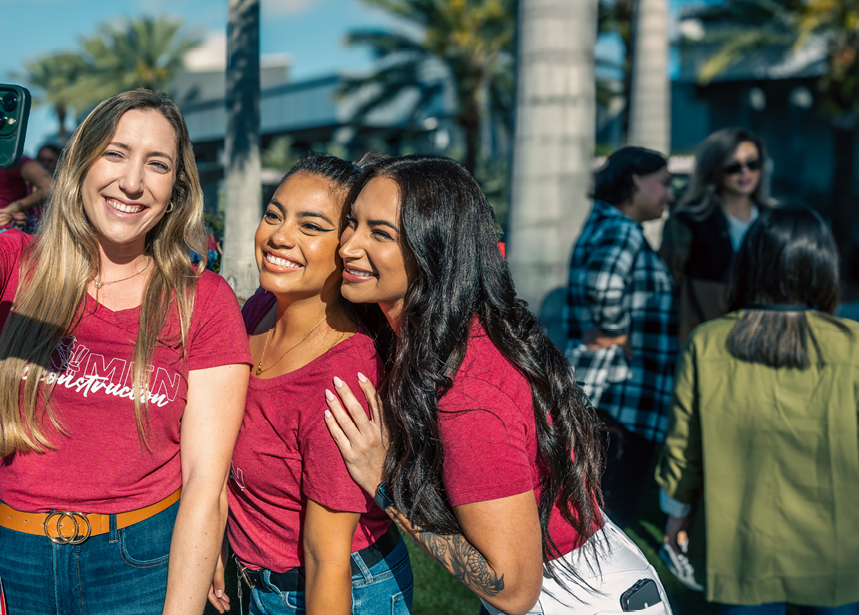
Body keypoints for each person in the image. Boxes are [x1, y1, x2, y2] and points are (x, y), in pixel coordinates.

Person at [0, 62, 251, 615]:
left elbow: (206, 482)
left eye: (157, 164)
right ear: (79, 166)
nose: (132, 182)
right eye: (115, 153)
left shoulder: (204, 301)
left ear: (176, 190)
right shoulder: (13, 261)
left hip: (137, 566)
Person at [320, 155, 671, 614]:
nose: (348, 246)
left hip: (570, 597)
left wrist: (385, 482)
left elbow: (510, 588)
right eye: (352, 223)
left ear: (435, 251)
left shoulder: (469, 398)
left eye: (380, 233)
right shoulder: (453, 328)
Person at [211, 154, 412, 615]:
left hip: (338, 591)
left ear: (347, 247)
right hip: (259, 578)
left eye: (311, 226)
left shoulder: (340, 380)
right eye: (274, 215)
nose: (279, 237)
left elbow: (327, 559)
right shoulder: (259, 308)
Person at [655, 206, 859, 615]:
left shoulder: (708, 342)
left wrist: (675, 516)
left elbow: (684, 445)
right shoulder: (853, 344)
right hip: (837, 539)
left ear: (749, 262)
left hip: (741, 540)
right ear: (823, 265)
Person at [564, 146, 678, 528]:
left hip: (608, 393)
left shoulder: (605, 224)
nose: (669, 194)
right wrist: (617, 332)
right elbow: (603, 284)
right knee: (611, 516)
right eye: (663, 183)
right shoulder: (621, 229)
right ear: (635, 181)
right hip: (620, 397)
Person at [660, 128, 778, 343]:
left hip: (764, 344)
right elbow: (665, 288)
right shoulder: (686, 222)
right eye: (733, 166)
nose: (745, 172)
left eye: (753, 163)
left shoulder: (775, 221)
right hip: (705, 344)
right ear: (714, 168)